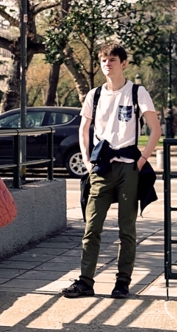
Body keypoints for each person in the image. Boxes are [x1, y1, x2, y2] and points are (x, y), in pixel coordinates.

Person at [64, 44, 162, 299]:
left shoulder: (137, 92)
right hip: (101, 167)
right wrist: (87, 161)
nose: (108, 63)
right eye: (104, 60)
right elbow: (83, 128)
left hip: (128, 167)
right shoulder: (94, 95)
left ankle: (122, 282)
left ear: (124, 63)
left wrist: (141, 160)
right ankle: (85, 281)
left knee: (126, 229)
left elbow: (155, 130)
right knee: (91, 227)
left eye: (113, 59)